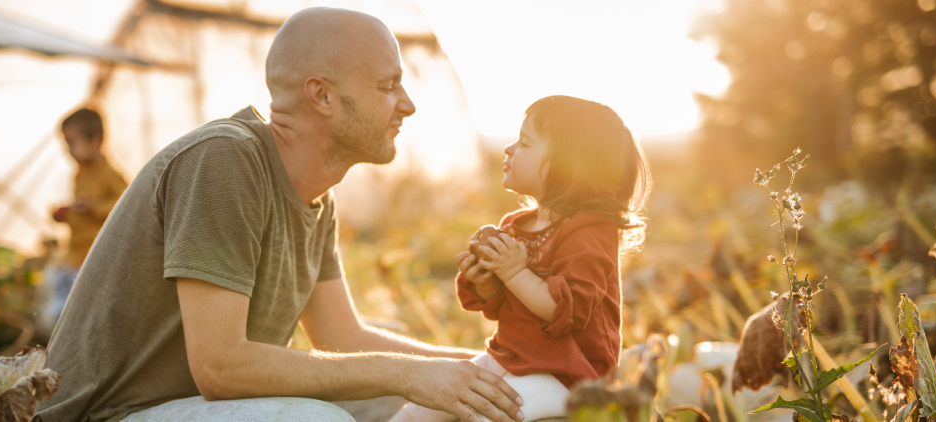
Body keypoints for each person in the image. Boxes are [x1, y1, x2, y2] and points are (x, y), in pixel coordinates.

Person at [35, 7, 524, 422]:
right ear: (322, 96)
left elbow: (343, 337)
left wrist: (500, 367)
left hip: (191, 410)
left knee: (436, 400)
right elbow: (221, 368)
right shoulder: (225, 160)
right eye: (388, 85)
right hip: (104, 416)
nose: (408, 105)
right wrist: (405, 373)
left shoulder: (317, 197)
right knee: (316, 418)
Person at [389, 95, 652, 422]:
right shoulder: (515, 225)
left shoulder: (590, 231)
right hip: (510, 358)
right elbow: (509, 309)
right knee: (423, 407)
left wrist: (514, 272)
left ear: (570, 167)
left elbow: (565, 312)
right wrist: (489, 285)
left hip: (567, 375)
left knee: (486, 416)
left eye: (525, 143)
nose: (509, 149)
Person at [44, 108, 128, 327]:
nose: (69, 150)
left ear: (95, 141)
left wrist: (94, 207)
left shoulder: (110, 174)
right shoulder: (80, 174)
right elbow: (80, 215)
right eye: (66, 144)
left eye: (73, 143)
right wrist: (65, 215)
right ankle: (62, 341)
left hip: (96, 257)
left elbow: (125, 207)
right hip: (75, 254)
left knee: (83, 309)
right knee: (62, 304)